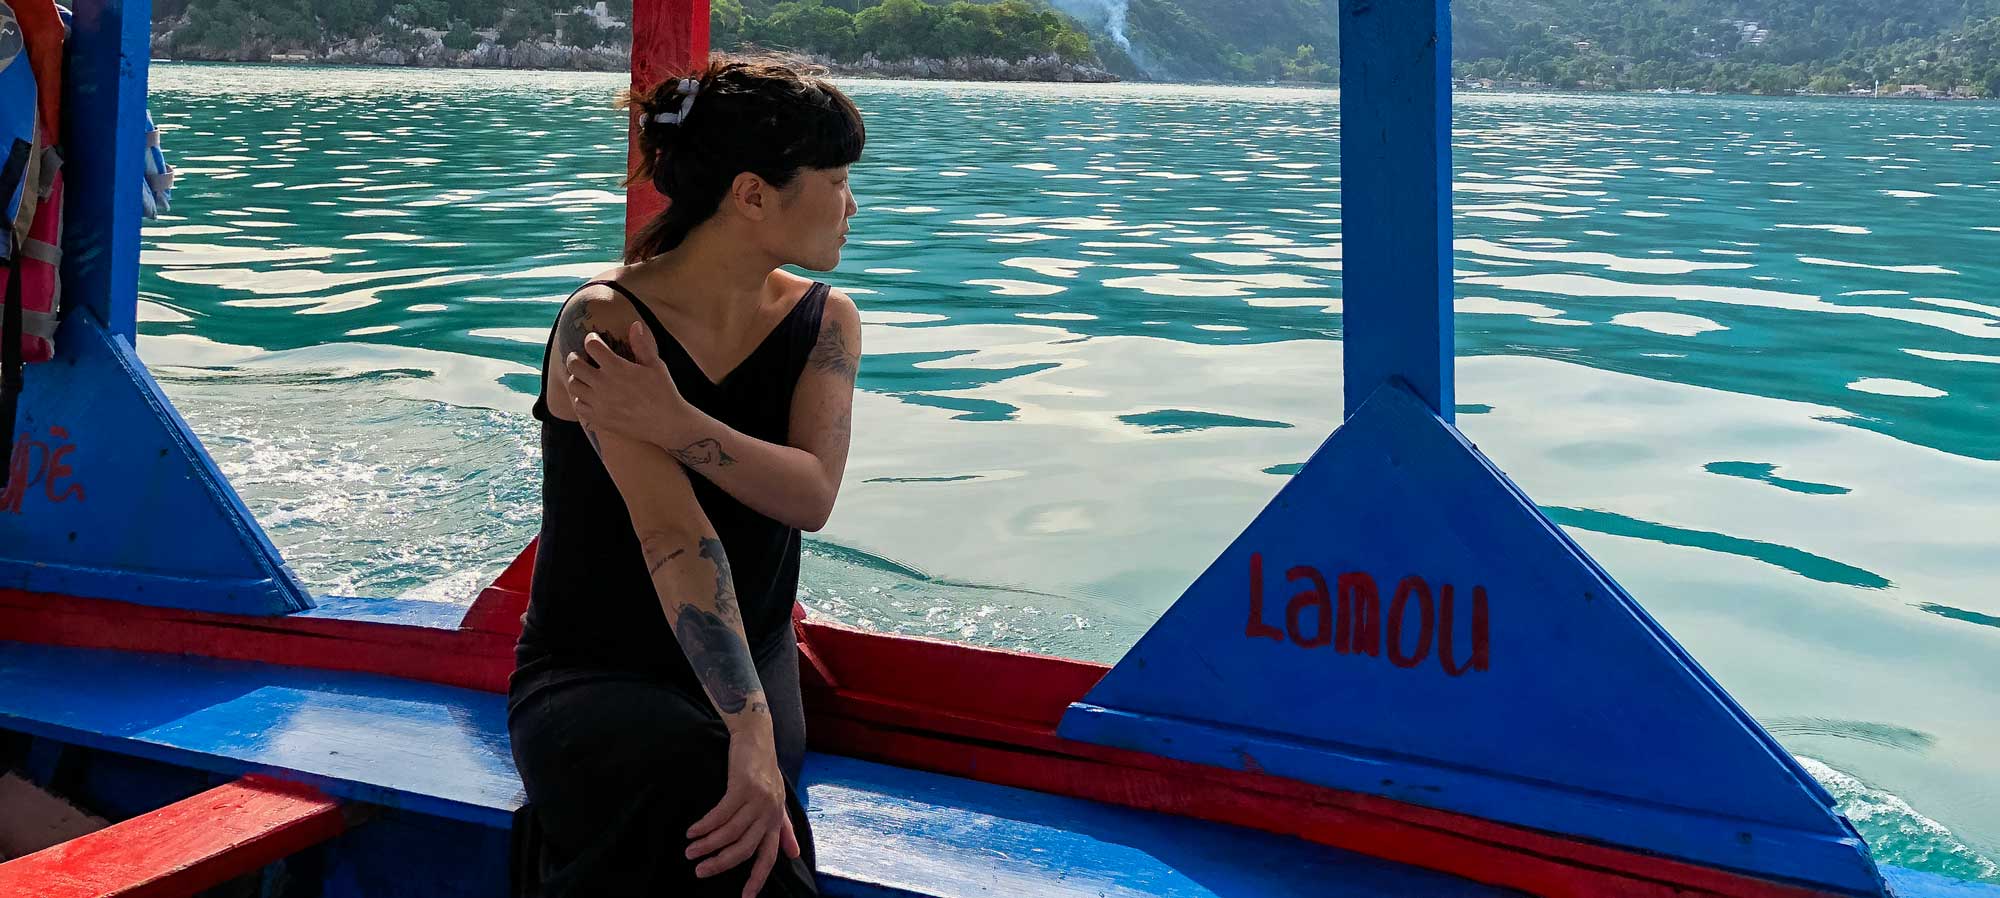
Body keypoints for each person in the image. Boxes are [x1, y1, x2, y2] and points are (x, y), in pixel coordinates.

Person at [508, 54, 864, 898]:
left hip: (757, 651)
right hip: (596, 670)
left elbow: (810, 494)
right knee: (718, 808)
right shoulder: (603, 321)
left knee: (733, 820)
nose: (852, 206)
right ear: (751, 194)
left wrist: (678, 423)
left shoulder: (826, 323)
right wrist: (747, 731)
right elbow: (673, 532)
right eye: (837, 179)